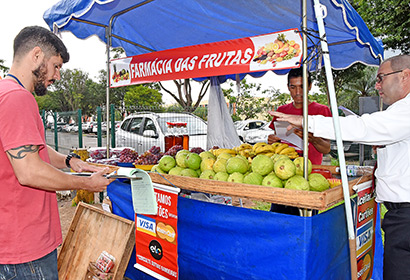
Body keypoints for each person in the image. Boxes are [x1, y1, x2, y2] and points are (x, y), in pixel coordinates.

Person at [270, 55, 410, 279]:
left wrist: (309, 123)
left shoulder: (405, 110)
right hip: (398, 214)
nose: (377, 85)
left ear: (404, 75)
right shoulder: (398, 112)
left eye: (381, 78)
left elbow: (363, 127)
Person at [0, 26, 113, 279]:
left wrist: (71, 161)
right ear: (37, 55)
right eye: (56, 66)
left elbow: (32, 148)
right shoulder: (17, 98)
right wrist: (86, 183)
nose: (58, 76)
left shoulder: (6, 92)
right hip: (24, 248)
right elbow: (28, 172)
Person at [267, 67, 332, 165]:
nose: (298, 92)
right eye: (293, 87)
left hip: (311, 170)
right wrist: (272, 140)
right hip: (283, 169)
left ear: (309, 86)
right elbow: (278, 140)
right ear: (288, 87)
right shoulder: (281, 111)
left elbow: (326, 149)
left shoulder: (322, 110)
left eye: (302, 86)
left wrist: (313, 139)